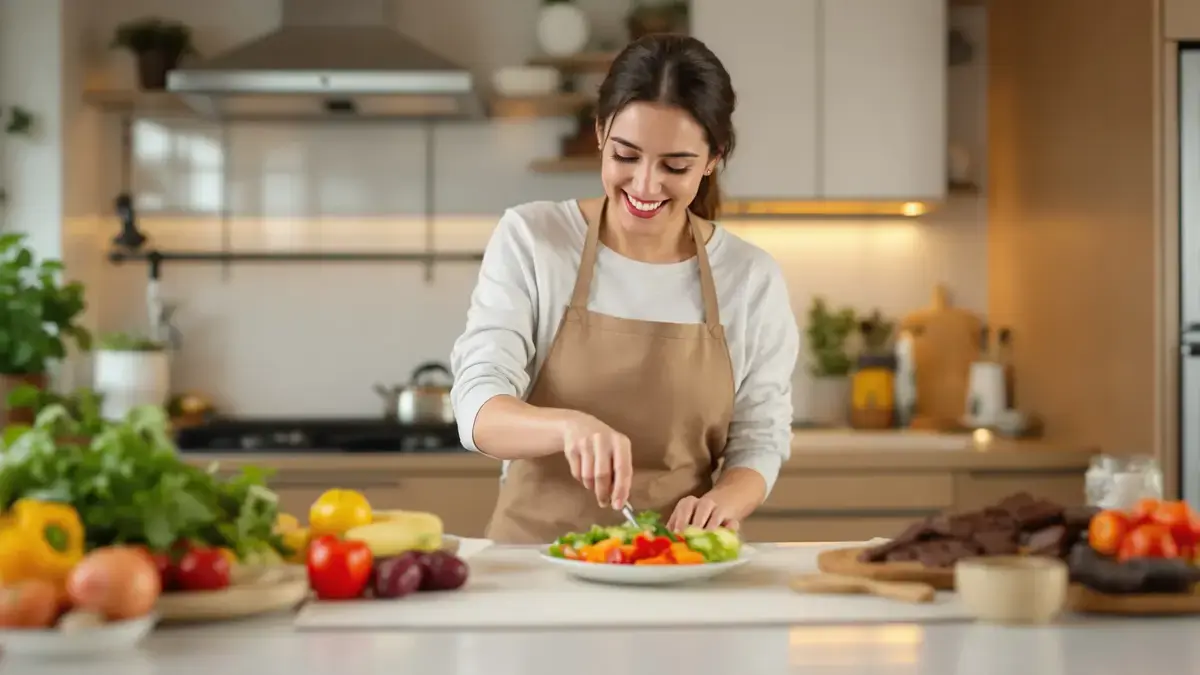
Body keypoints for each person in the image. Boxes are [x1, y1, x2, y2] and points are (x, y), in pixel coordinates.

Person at [449, 33, 799, 545]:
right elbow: (477, 407)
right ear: (599, 132)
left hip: (676, 564)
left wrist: (723, 502)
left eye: (675, 166)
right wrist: (568, 428)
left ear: (713, 159)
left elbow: (760, 440)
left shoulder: (749, 277)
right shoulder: (534, 239)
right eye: (626, 155)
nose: (645, 185)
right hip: (531, 567)